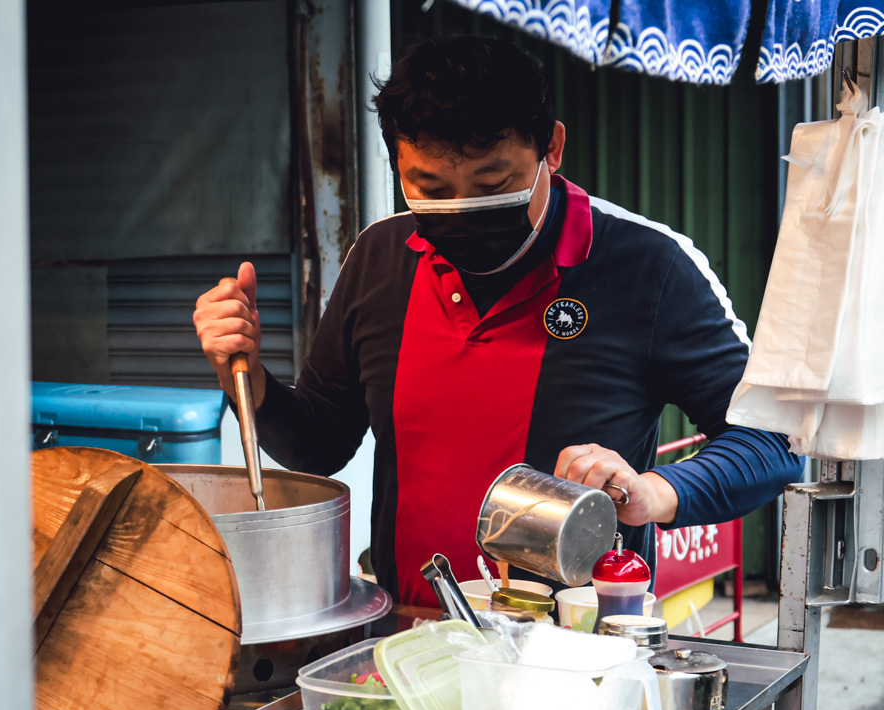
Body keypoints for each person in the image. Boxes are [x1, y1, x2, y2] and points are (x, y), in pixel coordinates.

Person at [193, 34, 804, 608]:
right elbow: (319, 443)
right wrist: (245, 376)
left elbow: (773, 442)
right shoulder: (378, 259)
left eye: (494, 183)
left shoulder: (648, 268)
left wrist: (657, 492)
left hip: (571, 653)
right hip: (407, 636)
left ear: (552, 149)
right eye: (428, 186)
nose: (462, 211)